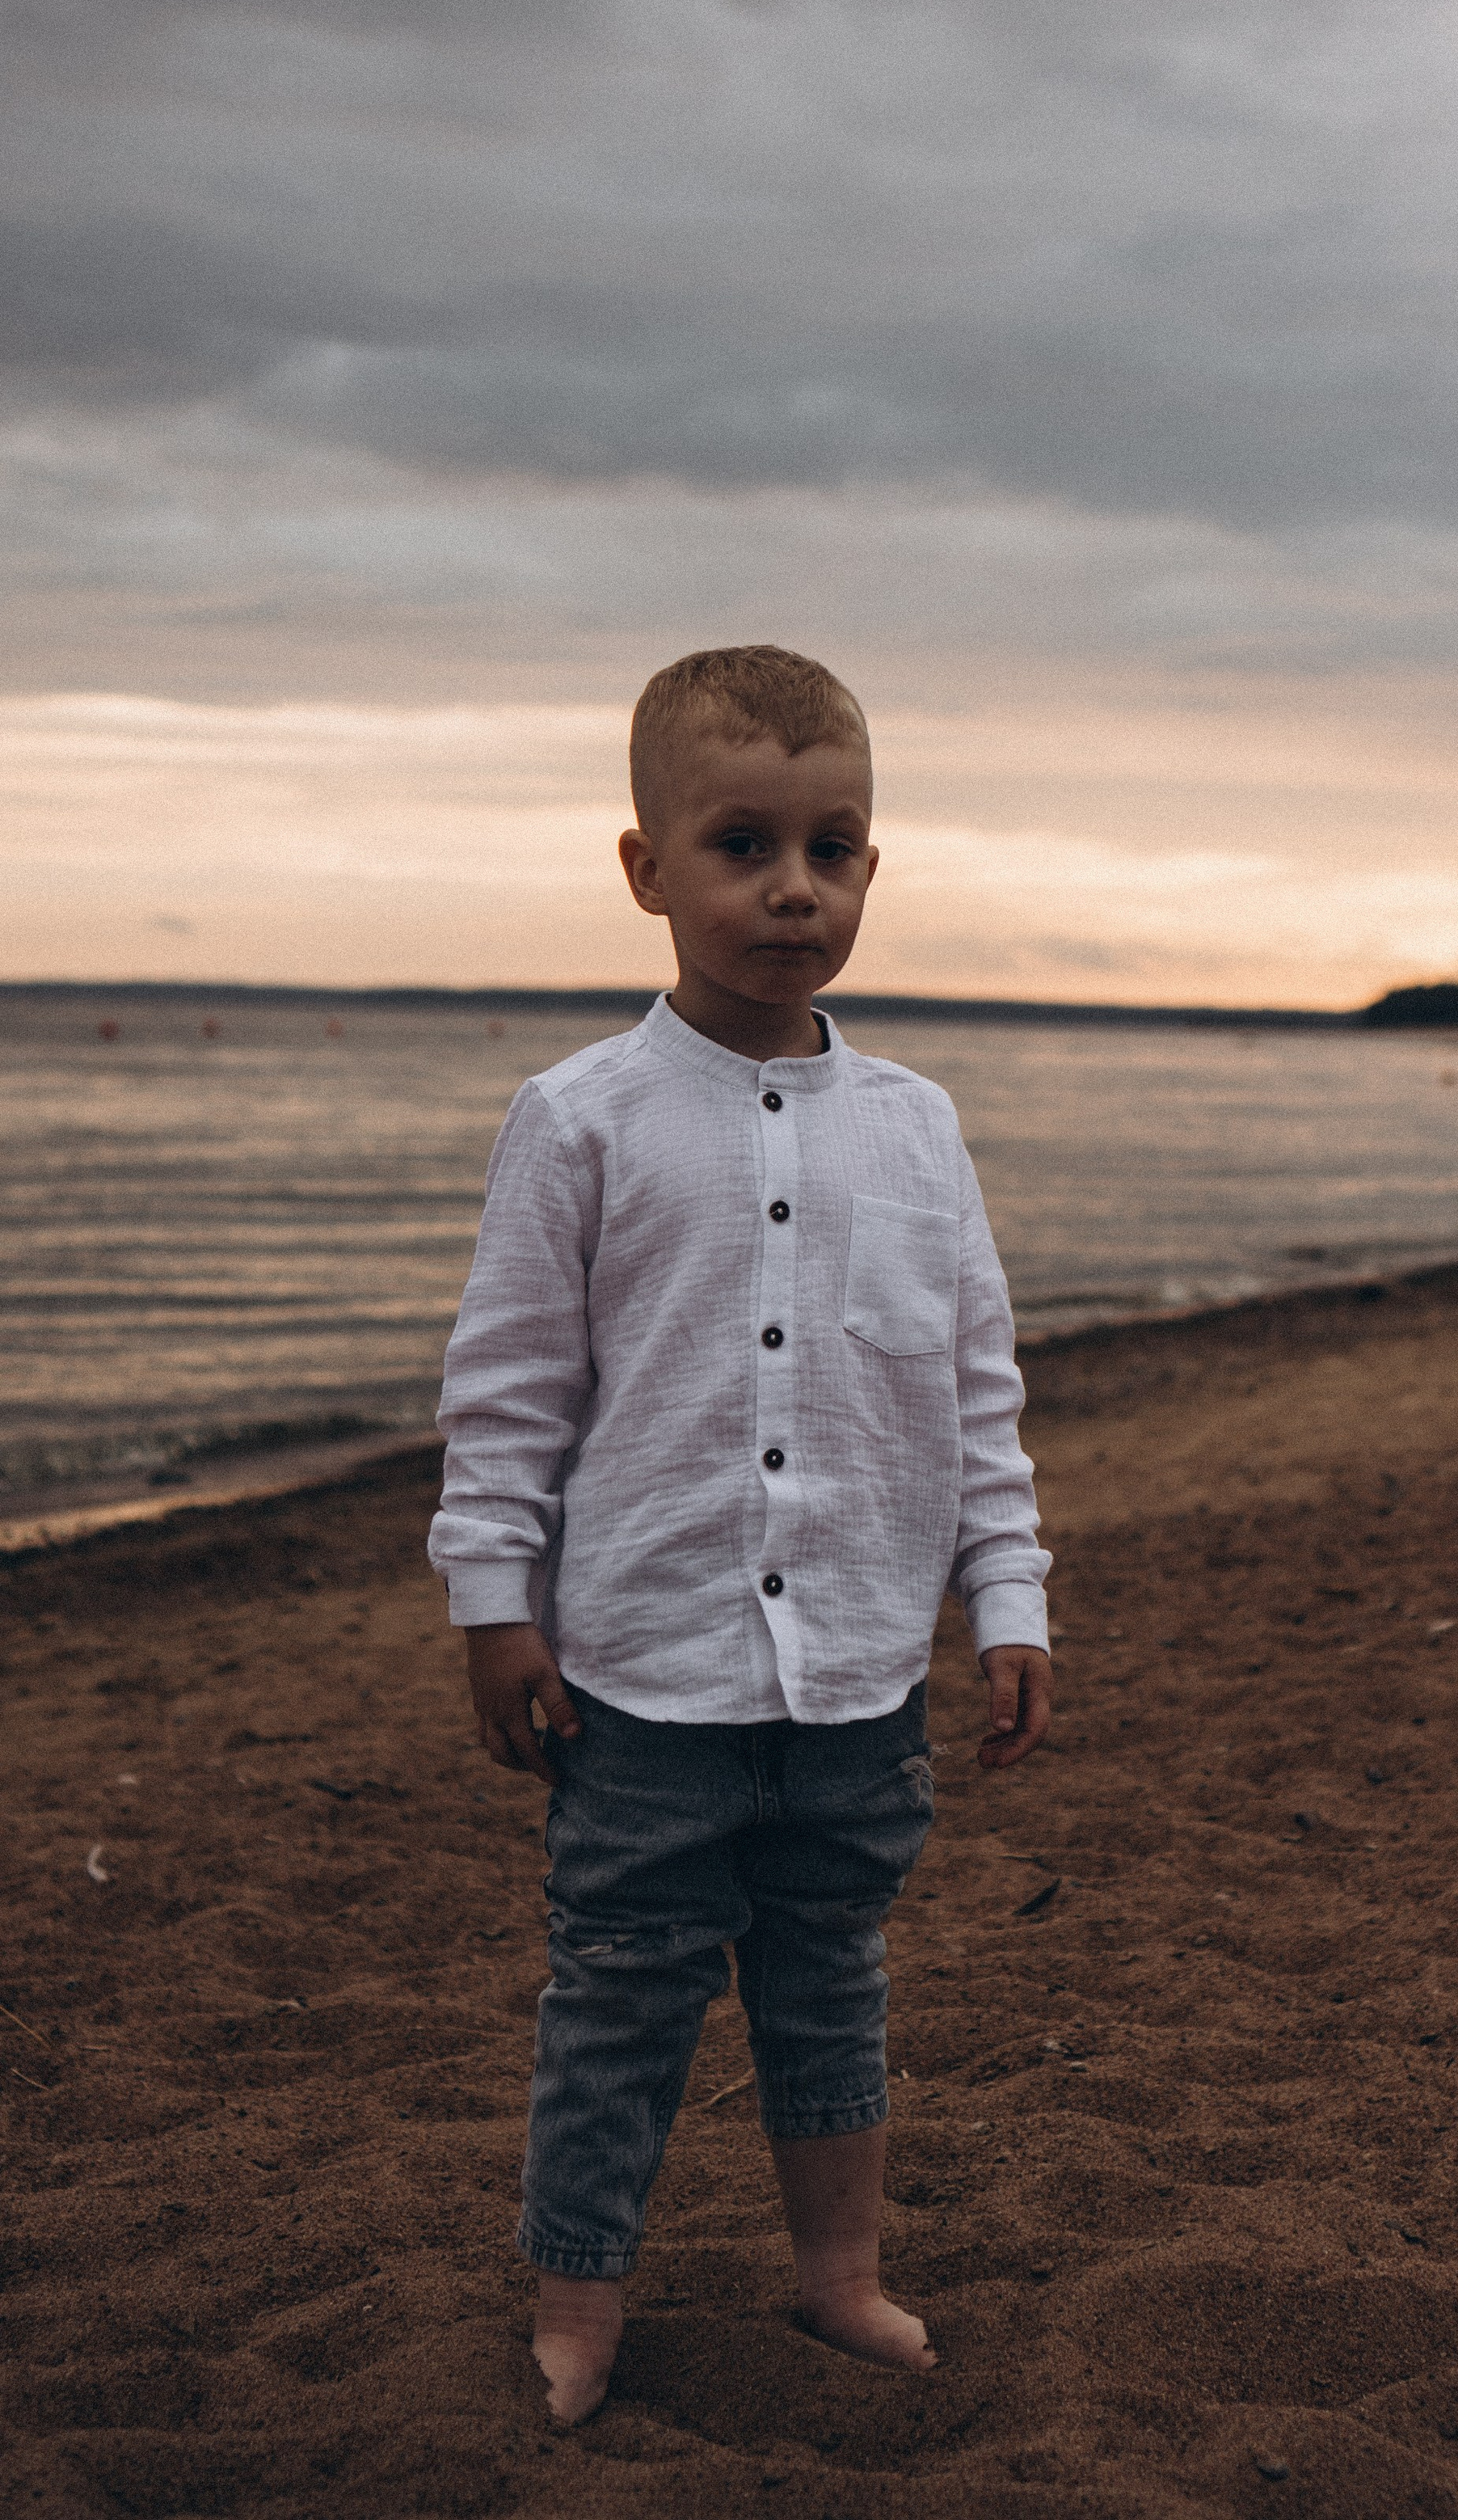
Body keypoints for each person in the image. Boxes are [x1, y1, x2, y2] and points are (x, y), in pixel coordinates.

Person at [428, 644, 1053, 2425]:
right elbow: (510, 1390)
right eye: (741, 844)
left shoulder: (918, 1131)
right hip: (639, 1683)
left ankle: (838, 2279)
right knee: (619, 2005)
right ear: (645, 869)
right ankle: (578, 2314)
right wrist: (494, 1604)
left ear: (872, 866)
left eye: (831, 846)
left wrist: (1005, 1595)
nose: (792, 886)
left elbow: (971, 1394)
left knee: (827, 1990)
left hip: (857, 1679)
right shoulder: (579, 1122)